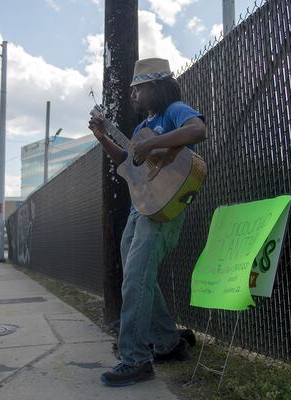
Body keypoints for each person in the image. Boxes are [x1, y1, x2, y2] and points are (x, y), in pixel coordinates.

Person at [88, 57, 207, 387]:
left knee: (136, 280)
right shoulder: (142, 127)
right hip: (140, 209)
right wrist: (103, 136)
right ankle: (169, 344)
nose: (133, 97)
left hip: (163, 210)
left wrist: (152, 143)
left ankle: (136, 358)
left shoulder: (174, 111)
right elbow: (129, 162)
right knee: (138, 279)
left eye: (138, 90)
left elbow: (198, 129)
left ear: (156, 86)